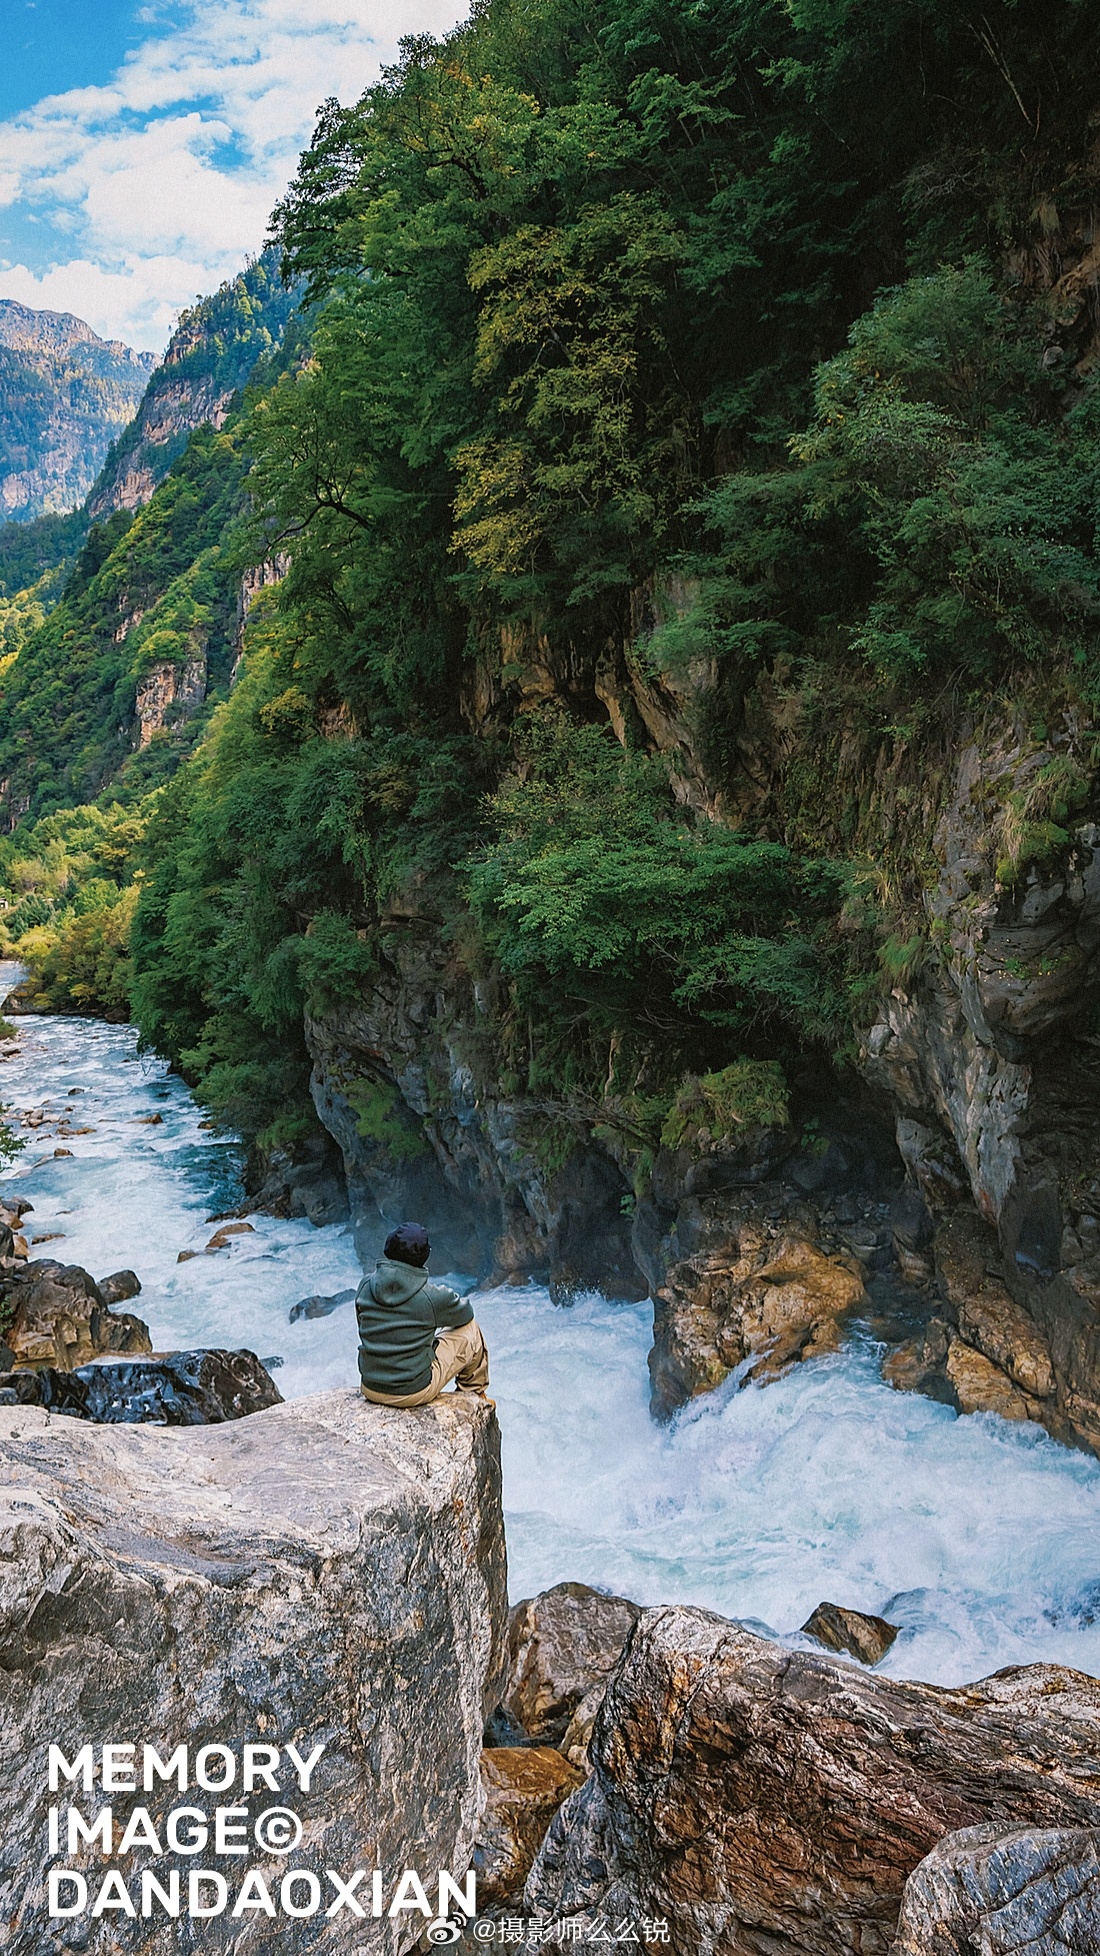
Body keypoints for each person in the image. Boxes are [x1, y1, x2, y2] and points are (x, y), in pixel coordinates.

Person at [356, 1221, 491, 1407]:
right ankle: (473, 1396)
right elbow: (466, 1313)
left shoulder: (365, 1285)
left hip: (370, 1387)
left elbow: (364, 1327)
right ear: (424, 1256)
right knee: (471, 1330)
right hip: (412, 1392)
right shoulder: (431, 1297)